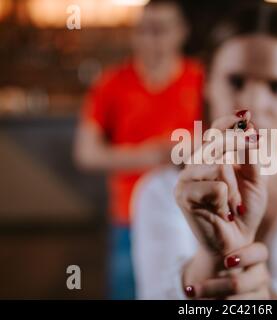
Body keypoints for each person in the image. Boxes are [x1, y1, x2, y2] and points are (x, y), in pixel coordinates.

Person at [132, 4, 277, 300]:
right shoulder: (159, 190)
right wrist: (210, 261)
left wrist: (267, 296)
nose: (253, 102)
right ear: (207, 85)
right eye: (236, 81)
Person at [73, 0, 203, 299]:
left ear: (181, 32)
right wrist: (154, 154)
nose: (150, 39)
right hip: (127, 219)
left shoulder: (204, 81)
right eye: (143, 30)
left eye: (160, 30)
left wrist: (184, 151)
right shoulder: (111, 84)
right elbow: (86, 153)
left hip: (191, 217)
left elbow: (225, 142)